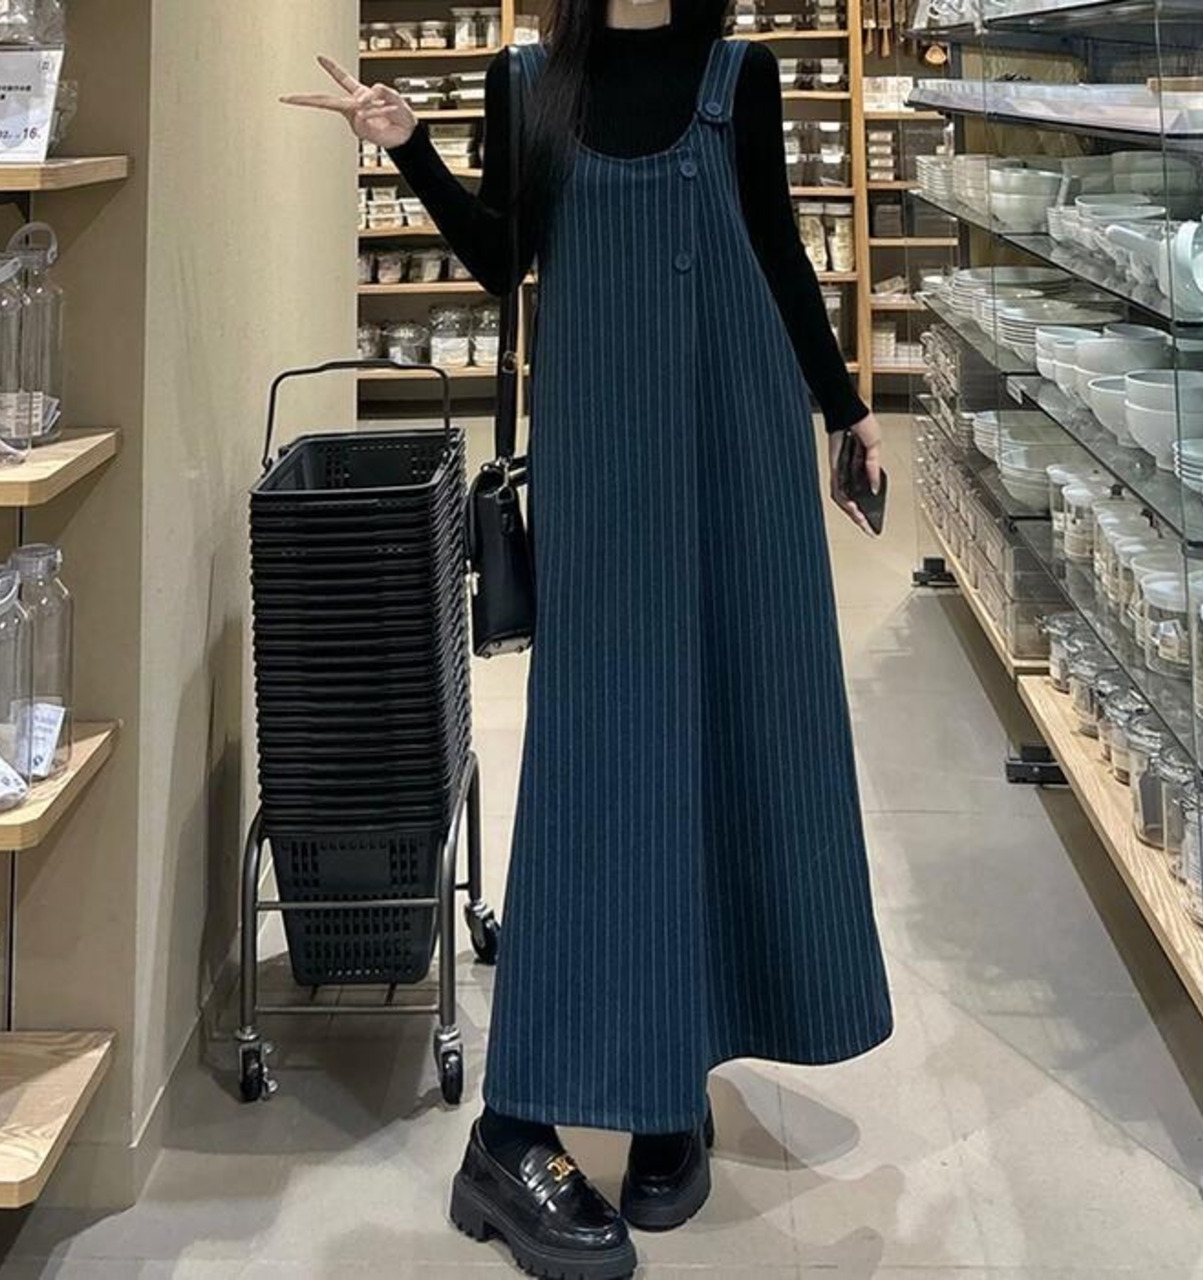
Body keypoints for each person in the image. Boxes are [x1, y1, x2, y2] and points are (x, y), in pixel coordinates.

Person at [284, 2, 893, 1276]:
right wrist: (407, 146)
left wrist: (847, 409)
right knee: (599, 767)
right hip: (603, 480)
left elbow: (778, 249)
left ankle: (671, 1084)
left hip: (736, 455)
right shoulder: (529, 83)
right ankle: (515, 1127)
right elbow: (500, 260)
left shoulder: (739, 76)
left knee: (733, 736)